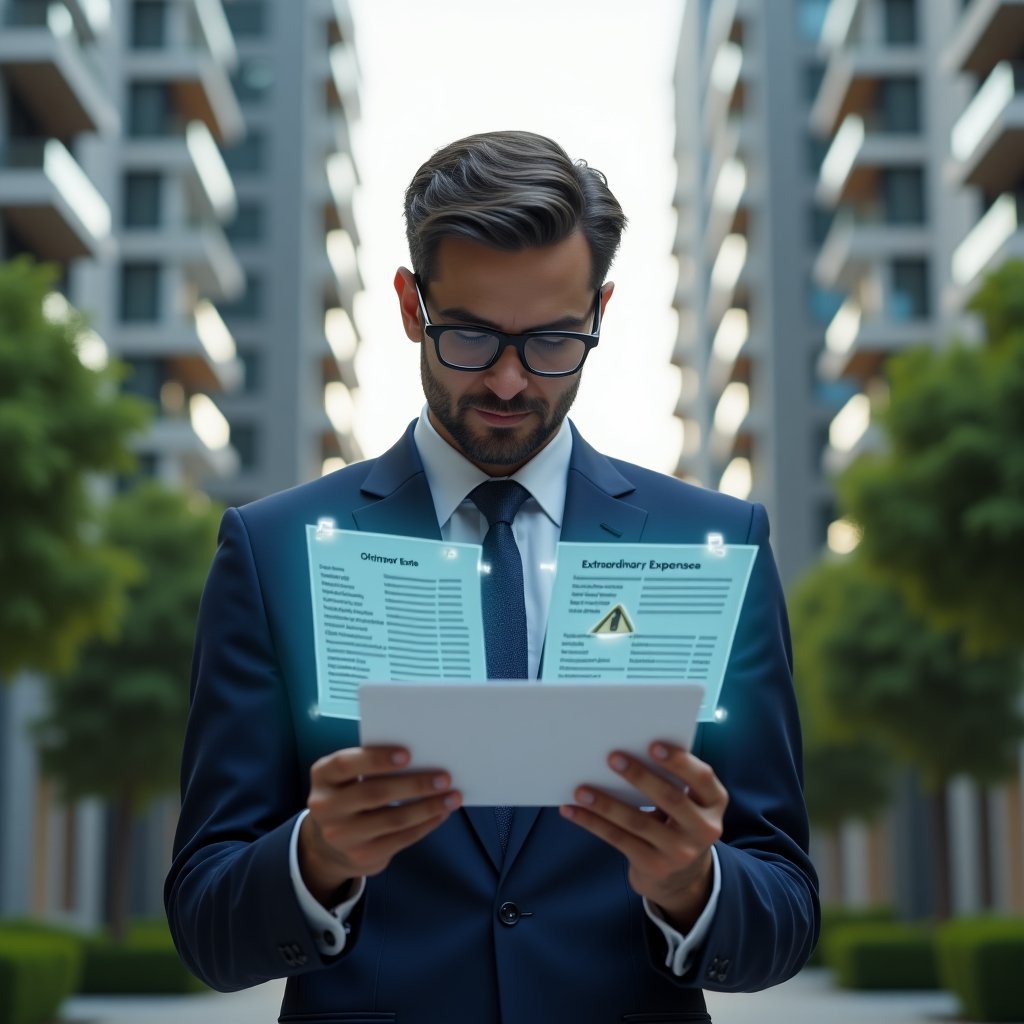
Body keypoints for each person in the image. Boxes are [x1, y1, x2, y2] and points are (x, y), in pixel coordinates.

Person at [165, 130, 819, 1023]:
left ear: (600, 311)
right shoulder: (273, 549)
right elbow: (205, 924)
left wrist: (693, 883)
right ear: (409, 304)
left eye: (553, 340)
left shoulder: (715, 542)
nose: (511, 382)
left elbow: (786, 902)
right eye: (470, 336)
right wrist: (316, 858)